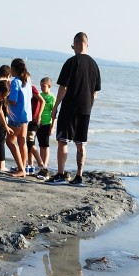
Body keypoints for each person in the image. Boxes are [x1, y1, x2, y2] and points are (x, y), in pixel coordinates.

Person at [49, 32, 101, 185]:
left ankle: (61, 174)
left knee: (63, 141)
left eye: (73, 45)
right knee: (81, 143)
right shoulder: (94, 65)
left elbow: (63, 88)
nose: (73, 48)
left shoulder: (71, 62)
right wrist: (88, 106)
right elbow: (94, 93)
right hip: (86, 109)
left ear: (78, 43)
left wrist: (55, 106)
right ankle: (79, 176)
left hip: (70, 107)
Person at [35, 76, 55, 180]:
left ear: (49, 86)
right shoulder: (40, 95)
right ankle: (41, 164)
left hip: (47, 122)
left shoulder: (52, 97)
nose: (42, 88)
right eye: (41, 86)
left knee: (45, 145)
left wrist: (52, 126)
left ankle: (45, 165)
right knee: (41, 144)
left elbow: (54, 112)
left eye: (44, 86)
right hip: (39, 122)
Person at [26, 77, 46, 173]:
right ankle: (30, 165)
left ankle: (41, 164)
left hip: (34, 120)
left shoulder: (32, 88)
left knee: (30, 141)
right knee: (28, 143)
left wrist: (39, 115)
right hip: (26, 119)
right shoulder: (24, 89)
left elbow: (42, 101)